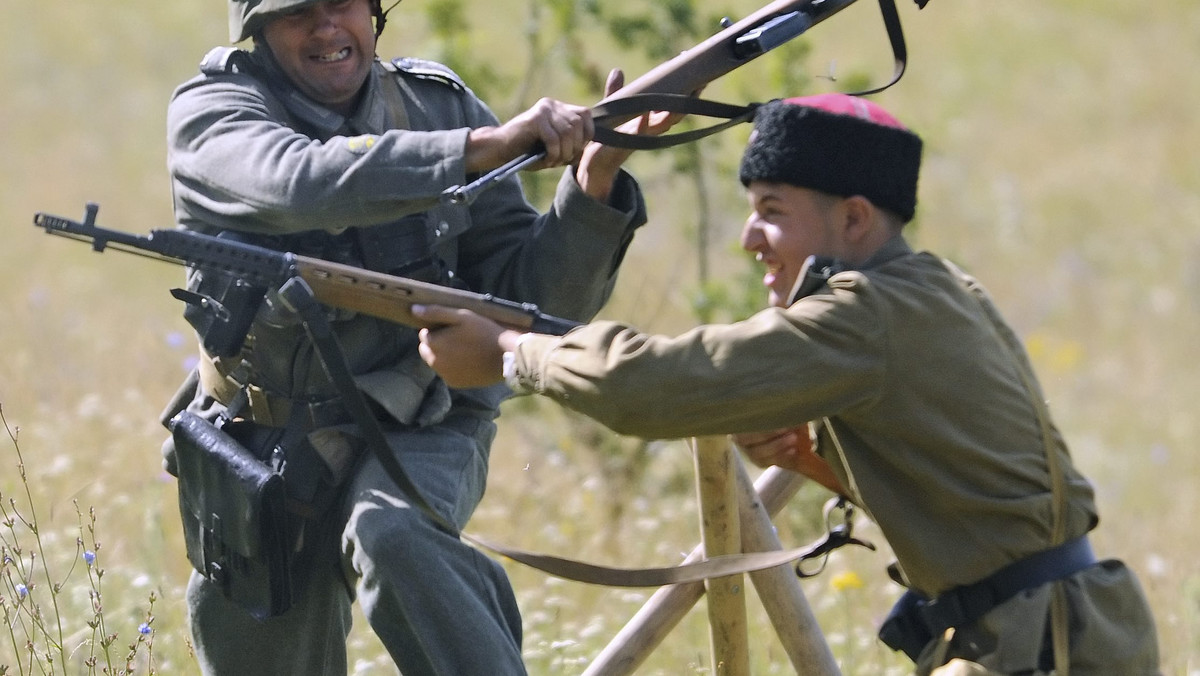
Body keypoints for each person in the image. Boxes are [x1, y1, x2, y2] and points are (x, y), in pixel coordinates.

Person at [414, 93, 1162, 675]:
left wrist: (515, 352)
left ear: (856, 218)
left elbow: (658, 387)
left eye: (771, 212)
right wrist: (814, 464)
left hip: (1036, 646)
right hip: (1049, 631)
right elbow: (973, 496)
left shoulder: (867, 316)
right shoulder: (932, 288)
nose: (748, 239)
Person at [159, 0, 679, 673]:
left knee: (394, 534)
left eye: (342, 3)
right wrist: (478, 151)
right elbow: (297, 181)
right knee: (261, 644)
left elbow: (531, 304)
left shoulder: (438, 105)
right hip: (259, 432)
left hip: (420, 415)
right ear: (256, 31)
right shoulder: (214, 113)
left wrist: (592, 182)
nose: (326, 29)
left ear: (374, 13)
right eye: (298, 12)